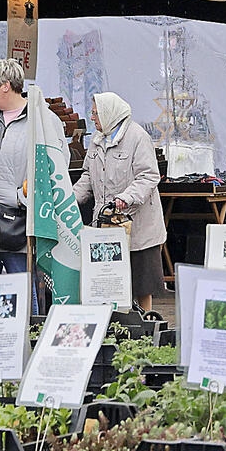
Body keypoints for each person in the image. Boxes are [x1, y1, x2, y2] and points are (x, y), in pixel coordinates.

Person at [73, 92, 167, 312]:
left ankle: (144, 323)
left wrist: (126, 198)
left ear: (108, 113)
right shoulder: (97, 140)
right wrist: (70, 199)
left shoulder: (137, 137)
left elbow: (149, 176)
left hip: (139, 227)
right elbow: (87, 175)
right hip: (106, 226)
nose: (93, 118)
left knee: (142, 284)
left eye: (96, 113)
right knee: (108, 281)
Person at [0, 58, 37, 274]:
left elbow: (55, 167)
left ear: (5, 86)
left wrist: (21, 198)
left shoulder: (39, 119)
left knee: (22, 290)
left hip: (19, 223)